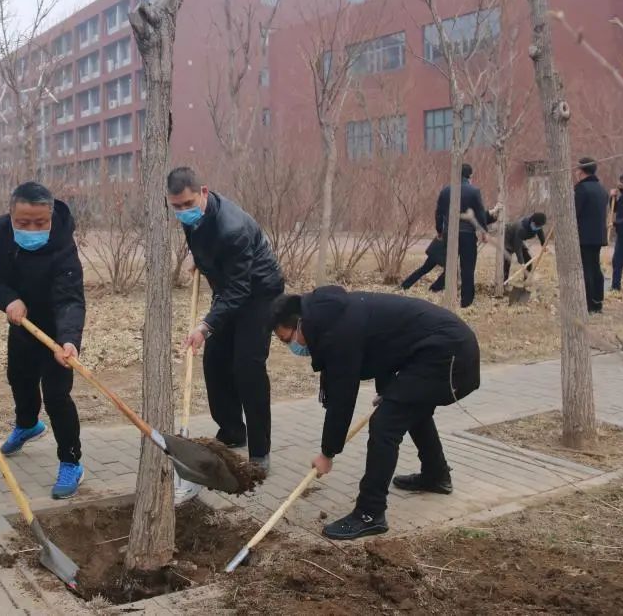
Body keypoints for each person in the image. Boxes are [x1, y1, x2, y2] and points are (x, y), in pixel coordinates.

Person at [270, 287, 480, 540]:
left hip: (449, 355)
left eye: (286, 340)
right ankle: (436, 475)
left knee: (385, 424)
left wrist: (328, 452)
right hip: (438, 349)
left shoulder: (338, 333)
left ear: (300, 324)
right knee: (408, 407)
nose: (290, 347)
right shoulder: (331, 315)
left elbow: (342, 398)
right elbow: (385, 348)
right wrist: (391, 391)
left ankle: (370, 513)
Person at [167, 167, 285, 473]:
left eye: (188, 204)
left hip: (259, 294)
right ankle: (233, 431)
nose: (183, 212)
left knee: (248, 368)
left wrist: (205, 326)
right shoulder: (193, 217)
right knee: (215, 363)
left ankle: (260, 453)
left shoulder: (232, 228)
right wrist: (199, 258)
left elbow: (239, 289)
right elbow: (203, 242)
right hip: (230, 289)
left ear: (203, 192)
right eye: (176, 207)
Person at [0, 182, 86, 499]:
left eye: (40, 222)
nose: (32, 229)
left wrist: (68, 340)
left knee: (56, 395)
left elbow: (71, 299)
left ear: (51, 216)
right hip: (21, 319)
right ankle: (27, 425)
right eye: (23, 223)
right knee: (19, 378)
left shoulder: (63, 244)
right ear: (11, 216)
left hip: (55, 328)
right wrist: (9, 300)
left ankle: (71, 461)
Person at [431, 163, 488, 307]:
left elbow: (438, 213)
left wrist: (439, 231)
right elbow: (480, 213)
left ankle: (448, 295)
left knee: (450, 266)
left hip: (450, 234)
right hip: (468, 234)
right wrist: (484, 231)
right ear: (470, 175)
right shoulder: (474, 191)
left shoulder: (445, 191)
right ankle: (466, 301)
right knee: (467, 267)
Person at [574, 157, 609, 313]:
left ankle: (588, 304)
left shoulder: (581, 189)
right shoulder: (601, 189)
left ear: (581, 171)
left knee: (587, 269)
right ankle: (597, 302)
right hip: (598, 236)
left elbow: (574, 213)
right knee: (595, 267)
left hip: (584, 236)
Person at [493, 212, 548, 282]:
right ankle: (504, 283)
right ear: (532, 222)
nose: (538, 228)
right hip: (507, 238)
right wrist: (521, 262)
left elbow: (541, 233)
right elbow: (517, 247)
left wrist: (544, 244)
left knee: (528, 260)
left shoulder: (537, 226)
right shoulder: (521, 228)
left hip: (518, 238)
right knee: (507, 261)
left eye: (540, 226)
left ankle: (526, 281)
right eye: (537, 226)